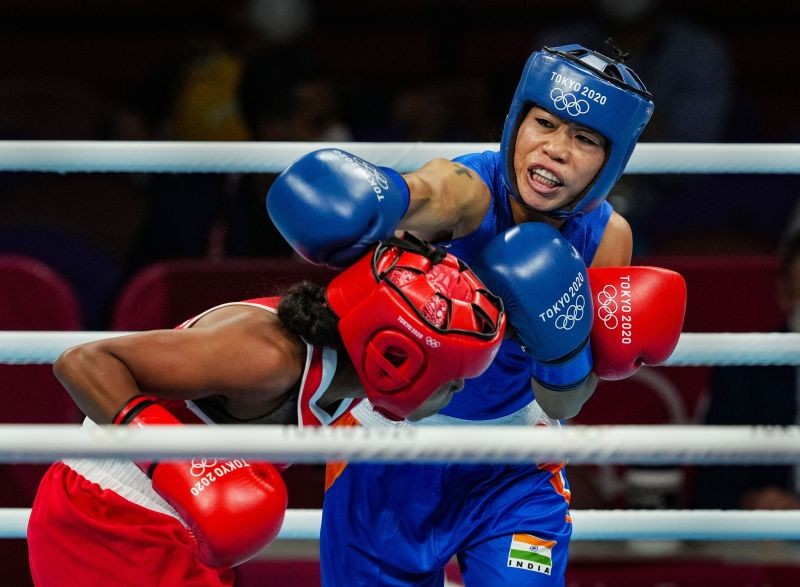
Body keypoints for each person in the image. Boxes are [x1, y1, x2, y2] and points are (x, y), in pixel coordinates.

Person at [267, 44, 687, 585]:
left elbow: (565, 398)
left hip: (514, 465)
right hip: (393, 449)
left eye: (584, 139)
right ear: (517, 122)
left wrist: (558, 341)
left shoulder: (607, 237)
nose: (557, 149)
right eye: (545, 124)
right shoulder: (468, 191)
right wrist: (385, 195)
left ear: (613, 161)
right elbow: (430, 191)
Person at [26, 234, 507, 587]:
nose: (459, 389)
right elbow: (85, 362)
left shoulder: (350, 372)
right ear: (395, 359)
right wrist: (175, 461)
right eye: (452, 377)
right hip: (103, 520)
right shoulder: (266, 358)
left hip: (184, 527)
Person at [692, 231, 800, 511]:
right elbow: (710, 487)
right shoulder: (747, 369)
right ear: (785, 295)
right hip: (772, 540)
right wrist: (756, 502)